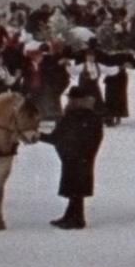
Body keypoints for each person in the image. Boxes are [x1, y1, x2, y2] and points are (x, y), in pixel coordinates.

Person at [50, 75, 103, 230]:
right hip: (78, 157)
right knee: (75, 189)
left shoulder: (78, 117)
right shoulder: (88, 116)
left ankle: (78, 219)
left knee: (76, 189)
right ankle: (70, 215)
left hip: (77, 157)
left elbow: (57, 137)